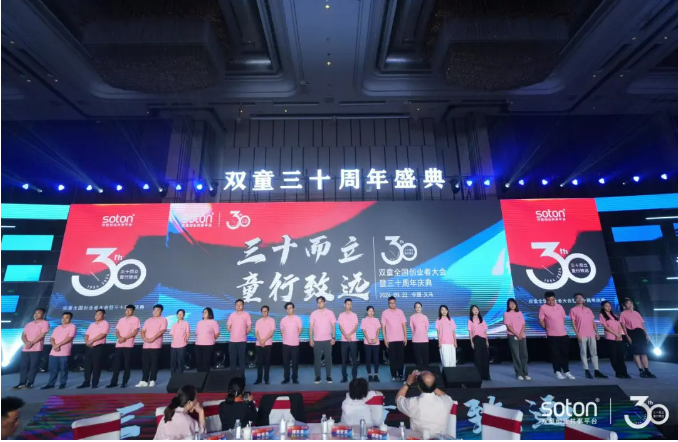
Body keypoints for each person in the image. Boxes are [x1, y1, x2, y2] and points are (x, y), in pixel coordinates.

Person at [395, 370, 454, 436]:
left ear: (419, 387)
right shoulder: (446, 401)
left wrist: (408, 383)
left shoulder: (414, 403)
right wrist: (430, 384)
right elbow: (444, 396)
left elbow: (398, 400)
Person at [539, 292, 575, 379]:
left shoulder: (560, 306)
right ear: (546, 300)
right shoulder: (543, 307)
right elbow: (541, 320)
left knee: (565, 353)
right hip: (552, 335)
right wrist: (546, 328)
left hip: (563, 334)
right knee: (555, 354)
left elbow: (563, 318)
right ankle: (557, 371)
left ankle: (566, 371)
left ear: (555, 299)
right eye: (548, 300)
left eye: (552, 300)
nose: (551, 302)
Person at [570, 294, 607, 379]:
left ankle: (596, 371)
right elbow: (573, 323)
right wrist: (577, 334)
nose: (579, 299)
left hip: (591, 333)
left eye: (581, 298)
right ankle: (586, 370)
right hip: (581, 333)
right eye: (577, 298)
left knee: (594, 352)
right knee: (584, 353)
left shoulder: (588, 309)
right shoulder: (573, 310)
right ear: (575, 300)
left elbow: (593, 322)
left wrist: (597, 332)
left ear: (584, 299)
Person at [12, 308, 50, 390]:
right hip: (26, 348)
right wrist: (27, 343)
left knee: (33, 366)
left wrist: (32, 342)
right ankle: (22, 382)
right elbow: (23, 335)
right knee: (23, 366)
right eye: (35, 313)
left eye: (39, 313)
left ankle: (30, 383)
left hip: (36, 348)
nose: (36, 314)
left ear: (43, 314)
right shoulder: (28, 324)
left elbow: (42, 335)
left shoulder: (45, 323)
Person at [619, 298, 656, 378]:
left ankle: (647, 370)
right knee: (636, 353)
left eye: (630, 303)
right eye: (627, 303)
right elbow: (623, 326)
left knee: (643, 352)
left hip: (640, 333)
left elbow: (642, 325)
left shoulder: (636, 313)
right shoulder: (623, 314)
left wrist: (646, 334)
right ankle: (640, 370)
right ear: (624, 305)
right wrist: (627, 336)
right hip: (632, 333)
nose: (629, 304)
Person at [107, 305, 140, 388]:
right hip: (119, 344)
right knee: (116, 364)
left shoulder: (136, 319)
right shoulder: (121, 319)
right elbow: (117, 331)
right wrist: (119, 338)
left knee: (127, 364)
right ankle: (113, 382)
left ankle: (124, 381)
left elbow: (135, 332)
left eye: (130, 310)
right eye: (127, 310)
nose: (127, 311)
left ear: (133, 311)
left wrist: (124, 338)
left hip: (128, 344)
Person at [41, 312, 76, 390]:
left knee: (63, 369)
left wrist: (58, 345)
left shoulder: (72, 327)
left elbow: (69, 338)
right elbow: (52, 338)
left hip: (64, 352)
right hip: (54, 351)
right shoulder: (57, 328)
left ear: (70, 319)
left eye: (67, 317)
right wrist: (54, 345)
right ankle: (51, 384)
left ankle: (62, 384)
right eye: (63, 317)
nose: (64, 319)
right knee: (52, 369)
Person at [77, 309, 110, 389]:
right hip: (89, 347)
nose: (97, 316)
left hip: (98, 347)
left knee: (96, 365)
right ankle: (86, 382)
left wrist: (91, 341)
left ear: (104, 315)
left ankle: (95, 383)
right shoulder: (92, 324)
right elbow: (86, 334)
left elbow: (103, 334)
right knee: (87, 365)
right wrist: (87, 341)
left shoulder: (105, 323)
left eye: (99, 314)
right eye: (96, 314)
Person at [137, 304, 168, 388]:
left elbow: (162, 331)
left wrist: (153, 338)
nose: (155, 311)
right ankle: (144, 380)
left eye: (158, 310)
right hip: (146, 345)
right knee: (145, 363)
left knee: (154, 363)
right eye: (154, 310)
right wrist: (144, 338)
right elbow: (143, 331)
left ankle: (152, 380)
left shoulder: (163, 320)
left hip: (156, 345)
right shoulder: (148, 320)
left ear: (161, 311)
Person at [599, 301, 630, 378]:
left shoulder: (614, 315)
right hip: (610, 338)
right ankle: (618, 372)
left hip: (619, 338)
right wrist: (616, 334)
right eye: (606, 306)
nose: (608, 307)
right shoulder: (602, 315)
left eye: (609, 306)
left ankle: (624, 372)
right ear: (603, 307)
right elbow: (606, 327)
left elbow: (619, 326)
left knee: (620, 356)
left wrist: (619, 334)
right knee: (613, 356)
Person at [310, 296, 337, 384]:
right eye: (318, 302)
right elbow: (311, 327)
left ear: (324, 302)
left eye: (321, 302)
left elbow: (333, 326)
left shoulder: (330, 313)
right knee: (317, 359)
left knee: (328, 359)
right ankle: (317, 376)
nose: (319, 303)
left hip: (327, 340)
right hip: (317, 340)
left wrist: (333, 337)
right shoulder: (313, 313)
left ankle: (329, 376)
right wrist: (311, 339)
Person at [381, 296, 407, 382]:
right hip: (390, 339)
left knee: (400, 358)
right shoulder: (385, 313)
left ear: (395, 303)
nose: (392, 304)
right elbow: (383, 327)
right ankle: (394, 375)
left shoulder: (400, 311)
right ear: (388, 303)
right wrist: (385, 339)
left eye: (393, 303)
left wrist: (405, 337)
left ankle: (400, 374)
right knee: (392, 358)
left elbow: (404, 325)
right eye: (390, 303)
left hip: (400, 338)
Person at [503, 299, 530, 380]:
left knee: (524, 355)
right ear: (508, 305)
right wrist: (516, 334)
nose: (512, 305)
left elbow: (523, 324)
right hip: (512, 336)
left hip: (522, 336)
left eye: (513, 304)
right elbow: (508, 326)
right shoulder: (506, 314)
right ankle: (519, 373)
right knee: (516, 355)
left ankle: (525, 373)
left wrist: (521, 334)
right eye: (510, 304)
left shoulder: (519, 313)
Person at [280, 302, 302, 384]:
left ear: (294, 309)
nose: (289, 310)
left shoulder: (298, 319)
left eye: (290, 308)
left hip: (295, 344)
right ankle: (286, 378)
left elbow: (300, 329)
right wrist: (286, 337)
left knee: (295, 362)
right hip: (285, 344)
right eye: (287, 308)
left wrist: (295, 336)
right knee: (286, 362)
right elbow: (282, 330)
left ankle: (295, 378)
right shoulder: (283, 319)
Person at [227, 299, 252, 372]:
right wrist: (232, 331)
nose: (238, 306)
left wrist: (244, 333)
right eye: (237, 305)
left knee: (242, 360)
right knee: (232, 360)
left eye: (240, 305)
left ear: (243, 306)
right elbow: (228, 327)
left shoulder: (246, 314)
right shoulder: (232, 315)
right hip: (232, 341)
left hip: (242, 341)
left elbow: (249, 327)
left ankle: (242, 377)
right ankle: (233, 377)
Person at [338, 298, 359, 383]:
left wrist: (349, 335)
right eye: (348, 304)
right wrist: (346, 336)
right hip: (344, 340)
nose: (349, 305)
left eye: (350, 304)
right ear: (344, 305)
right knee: (344, 359)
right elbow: (340, 327)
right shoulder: (341, 315)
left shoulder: (354, 315)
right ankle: (344, 377)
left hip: (353, 340)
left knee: (354, 360)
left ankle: (354, 377)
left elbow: (356, 327)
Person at [468, 305, 490, 381]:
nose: (475, 310)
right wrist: (471, 342)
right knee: (477, 358)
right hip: (476, 339)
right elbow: (470, 333)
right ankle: (478, 376)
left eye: (476, 309)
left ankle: (486, 375)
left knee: (485, 358)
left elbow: (485, 331)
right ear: (471, 311)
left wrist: (487, 341)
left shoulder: (482, 320)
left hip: (483, 339)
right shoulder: (470, 321)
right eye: (474, 309)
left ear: (478, 310)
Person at [254, 305, 275, 385]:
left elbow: (271, 332)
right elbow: (256, 333)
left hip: (268, 343)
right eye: (262, 311)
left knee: (267, 362)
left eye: (265, 311)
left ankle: (266, 379)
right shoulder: (258, 321)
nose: (264, 313)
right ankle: (259, 379)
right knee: (259, 362)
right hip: (258, 344)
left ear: (268, 311)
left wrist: (264, 340)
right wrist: (260, 340)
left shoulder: (271, 320)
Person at [195, 308, 220, 373]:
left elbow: (217, 334)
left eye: (205, 312)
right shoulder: (199, 323)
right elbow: (197, 333)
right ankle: (199, 377)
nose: (204, 313)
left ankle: (206, 377)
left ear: (210, 313)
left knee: (206, 363)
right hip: (198, 345)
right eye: (203, 312)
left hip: (208, 346)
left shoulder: (213, 322)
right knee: (199, 363)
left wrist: (211, 339)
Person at [361, 306, 381, 382]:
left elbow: (378, 330)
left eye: (372, 311)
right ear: (367, 311)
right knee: (368, 358)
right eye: (369, 311)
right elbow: (364, 331)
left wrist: (375, 338)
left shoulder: (376, 320)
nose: (371, 312)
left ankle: (376, 374)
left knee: (376, 359)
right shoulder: (364, 320)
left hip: (376, 342)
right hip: (367, 342)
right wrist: (368, 339)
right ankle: (369, 375)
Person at [170, 309, 190, 375]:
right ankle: (173, 376)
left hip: (182, 345)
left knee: (181, 361)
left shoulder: (186, 323)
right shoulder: (174, 324)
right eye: (178, 314)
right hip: (174, 345)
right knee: (173, 362)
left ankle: (179, 375)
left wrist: (186, 341)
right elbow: (172, 334)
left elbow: (188, 333)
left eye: (181, 314)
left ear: (183, 315)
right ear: (177, 315)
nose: (180, 315)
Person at [410, 302, 430, 368]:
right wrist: (415, 335)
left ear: (421, 308)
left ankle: (426, 371)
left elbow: (427, 328)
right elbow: (412, 328)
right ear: (414, 308)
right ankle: (419, 371)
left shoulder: (425, 317)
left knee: (425, 357)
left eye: (419, 307)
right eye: (416, 307)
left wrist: (423, 334)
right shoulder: (412, 317)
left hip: (424, 340)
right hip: (416, 340)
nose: (418, 308)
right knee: (417, 357)